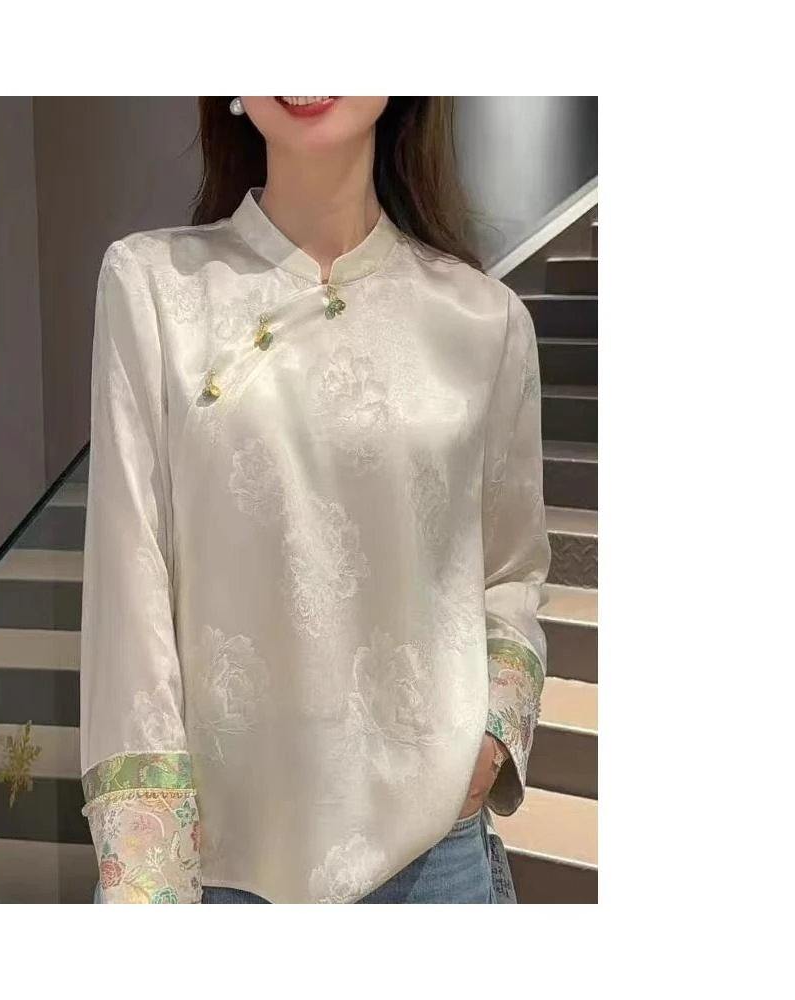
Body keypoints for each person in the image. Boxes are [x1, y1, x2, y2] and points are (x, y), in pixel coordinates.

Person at [80, 96, 550, 904]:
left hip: (437, 860)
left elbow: (512, 569)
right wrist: (146, 872)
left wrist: (494, 737)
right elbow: (130, 583)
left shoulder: (484, 319)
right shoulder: (154, 286)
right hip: (224, 868)